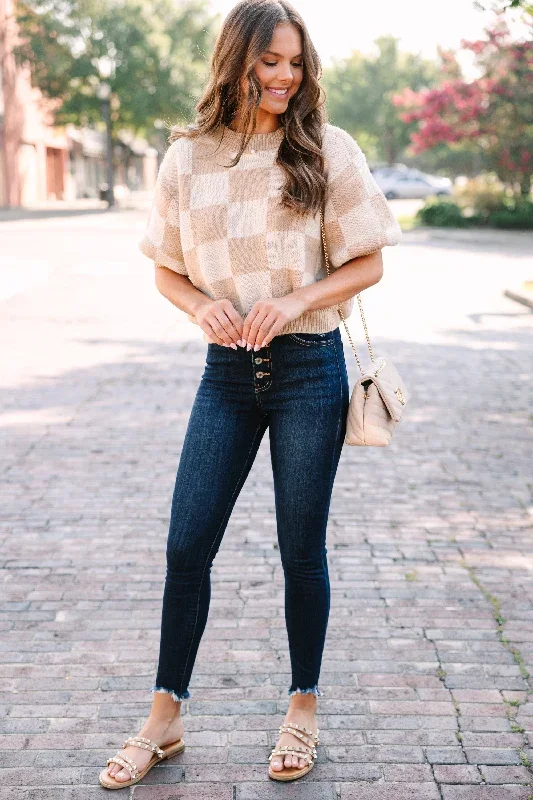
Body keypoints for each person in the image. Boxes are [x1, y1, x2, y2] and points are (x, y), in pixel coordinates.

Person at [100, 0, 401, 788]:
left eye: (295, 62)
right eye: (269, 61)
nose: (284, 76)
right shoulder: (186, 158)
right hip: (226, 376)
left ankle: (301, 709)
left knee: (300, 551)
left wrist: (297, 301)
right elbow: (164, 265)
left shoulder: (325, 148)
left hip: (308, 371)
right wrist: (198, 304)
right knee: (184, 545)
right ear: (235, 59)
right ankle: (164, 719)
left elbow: (368, 261)